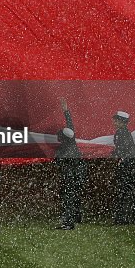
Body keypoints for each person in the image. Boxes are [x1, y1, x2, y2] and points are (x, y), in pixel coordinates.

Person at [56, 98, 87, 230]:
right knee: (75, 196)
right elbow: (70, 125)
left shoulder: (63, 151)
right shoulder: (72, 141)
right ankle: (76, 217)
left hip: (70, 177)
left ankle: (68, 223)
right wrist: (66, 110)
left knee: (68, 198)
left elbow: (59, 164)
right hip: (79, 175)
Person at [112, 110, 135, 225]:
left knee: (125, 191)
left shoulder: (121, 133)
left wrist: (117, 157)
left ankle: (122, 218)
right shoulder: (125, 132)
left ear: (122, 122)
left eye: (116, 119)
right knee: (133, 191)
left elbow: (122, 149)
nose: (114, 121)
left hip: (130, 164)